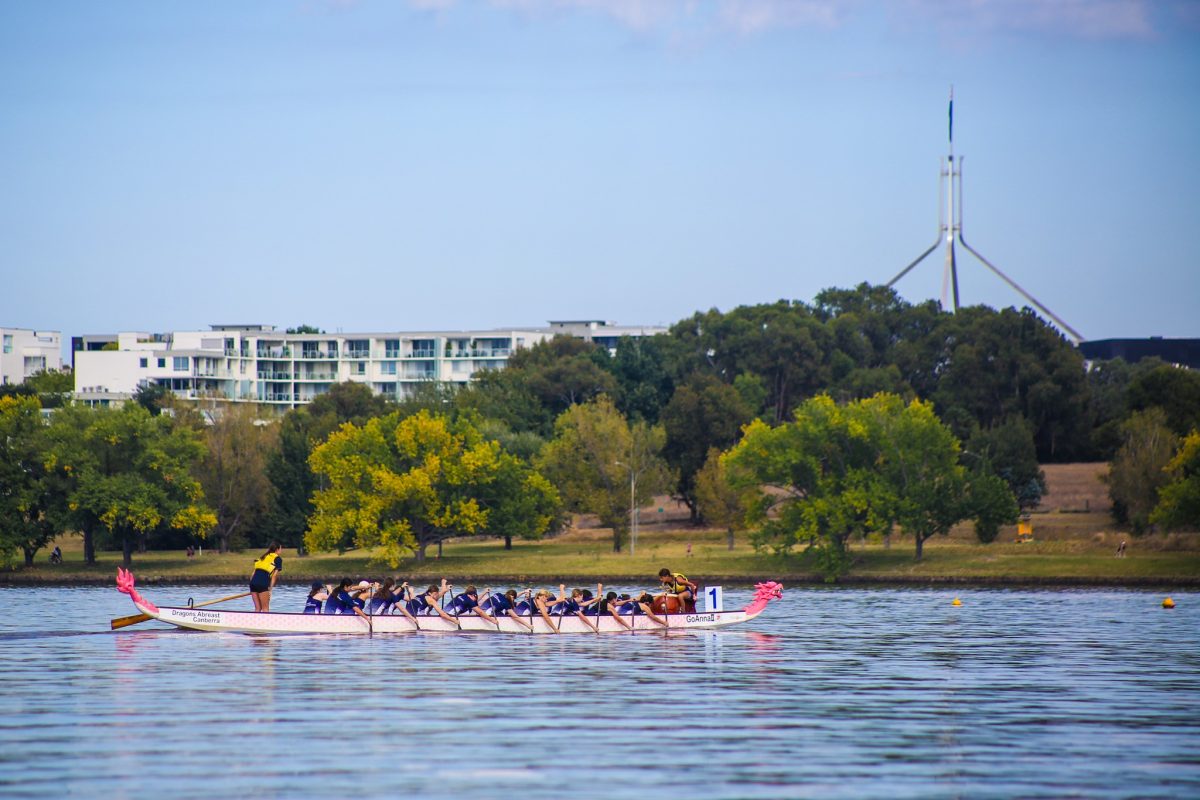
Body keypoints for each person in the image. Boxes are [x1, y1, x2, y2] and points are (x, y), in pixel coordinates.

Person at [249, 543, 283, 612]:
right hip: (263, 583)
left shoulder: (263, 557)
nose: (281, 550)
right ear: (277, 550)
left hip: (253, 583)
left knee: (257, 608)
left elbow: (253, 574)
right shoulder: (277, 559)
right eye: (281, 549)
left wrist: (253, 586)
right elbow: (274, 576)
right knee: (265, 609)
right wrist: (270, 589)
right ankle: (266, 622)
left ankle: (255, 622)